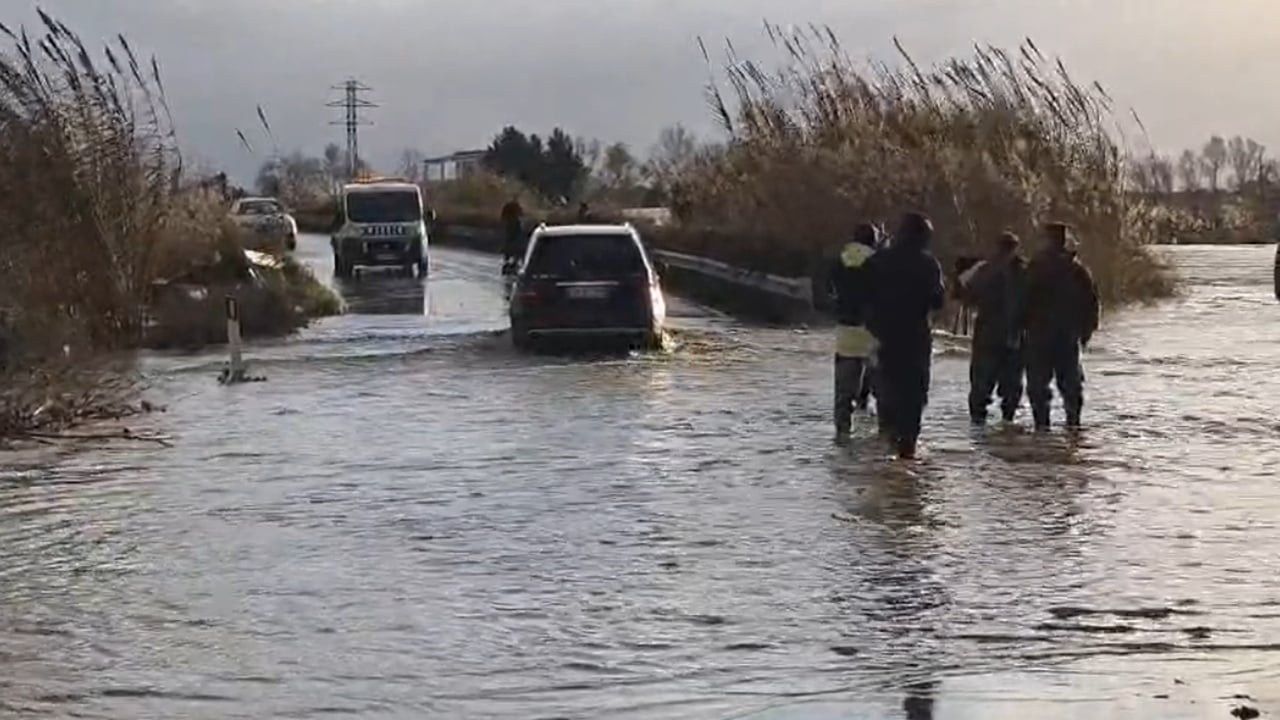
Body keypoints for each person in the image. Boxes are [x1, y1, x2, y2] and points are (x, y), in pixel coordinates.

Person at [866, 212, 945, 459]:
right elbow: (938, 301)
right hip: (915, 337)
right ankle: (907, 451)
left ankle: (889, 446)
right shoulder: (928, 264)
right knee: (914, 394)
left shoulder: (879, 260)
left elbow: (862, 295)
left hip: (883, 335)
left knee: (887, 390)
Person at [1024, 222, 1100, 431]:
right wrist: (1086, 331)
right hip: (1065, 335)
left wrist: (1018, 328)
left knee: (1039, 386)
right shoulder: (1077, 269)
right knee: (1070, 386)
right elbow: (1092, 304)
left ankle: (1043, 428)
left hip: (1042, 335)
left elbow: (1021, 301)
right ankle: (1072, 428)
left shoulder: (1036, 267)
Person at [959, 231, 1029, 425]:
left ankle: (978, 426)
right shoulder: (1024, 271)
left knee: (982, 383)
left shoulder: (984, 270)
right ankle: (1007, 424)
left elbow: (966, 295)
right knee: (1011, 386)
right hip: (1014, 335)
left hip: (988, 334)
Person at [827, 223, 881, 439]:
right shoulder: (879, 261)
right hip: (873, 332)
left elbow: (825, 291)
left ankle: (842, 436)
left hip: (845, 332)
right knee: (881, 390)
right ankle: (881, 441)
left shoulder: (838, 260)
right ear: (874, 240)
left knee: (844, 392)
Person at [500, 196, 525, 272]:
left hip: (510, 225)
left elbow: (503, 216)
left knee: (509, 242)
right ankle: (513, 260)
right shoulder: (514, 207)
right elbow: (521, 214)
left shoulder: (508, 206)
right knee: (515, 243)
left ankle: (509, 259)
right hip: (513, 225)